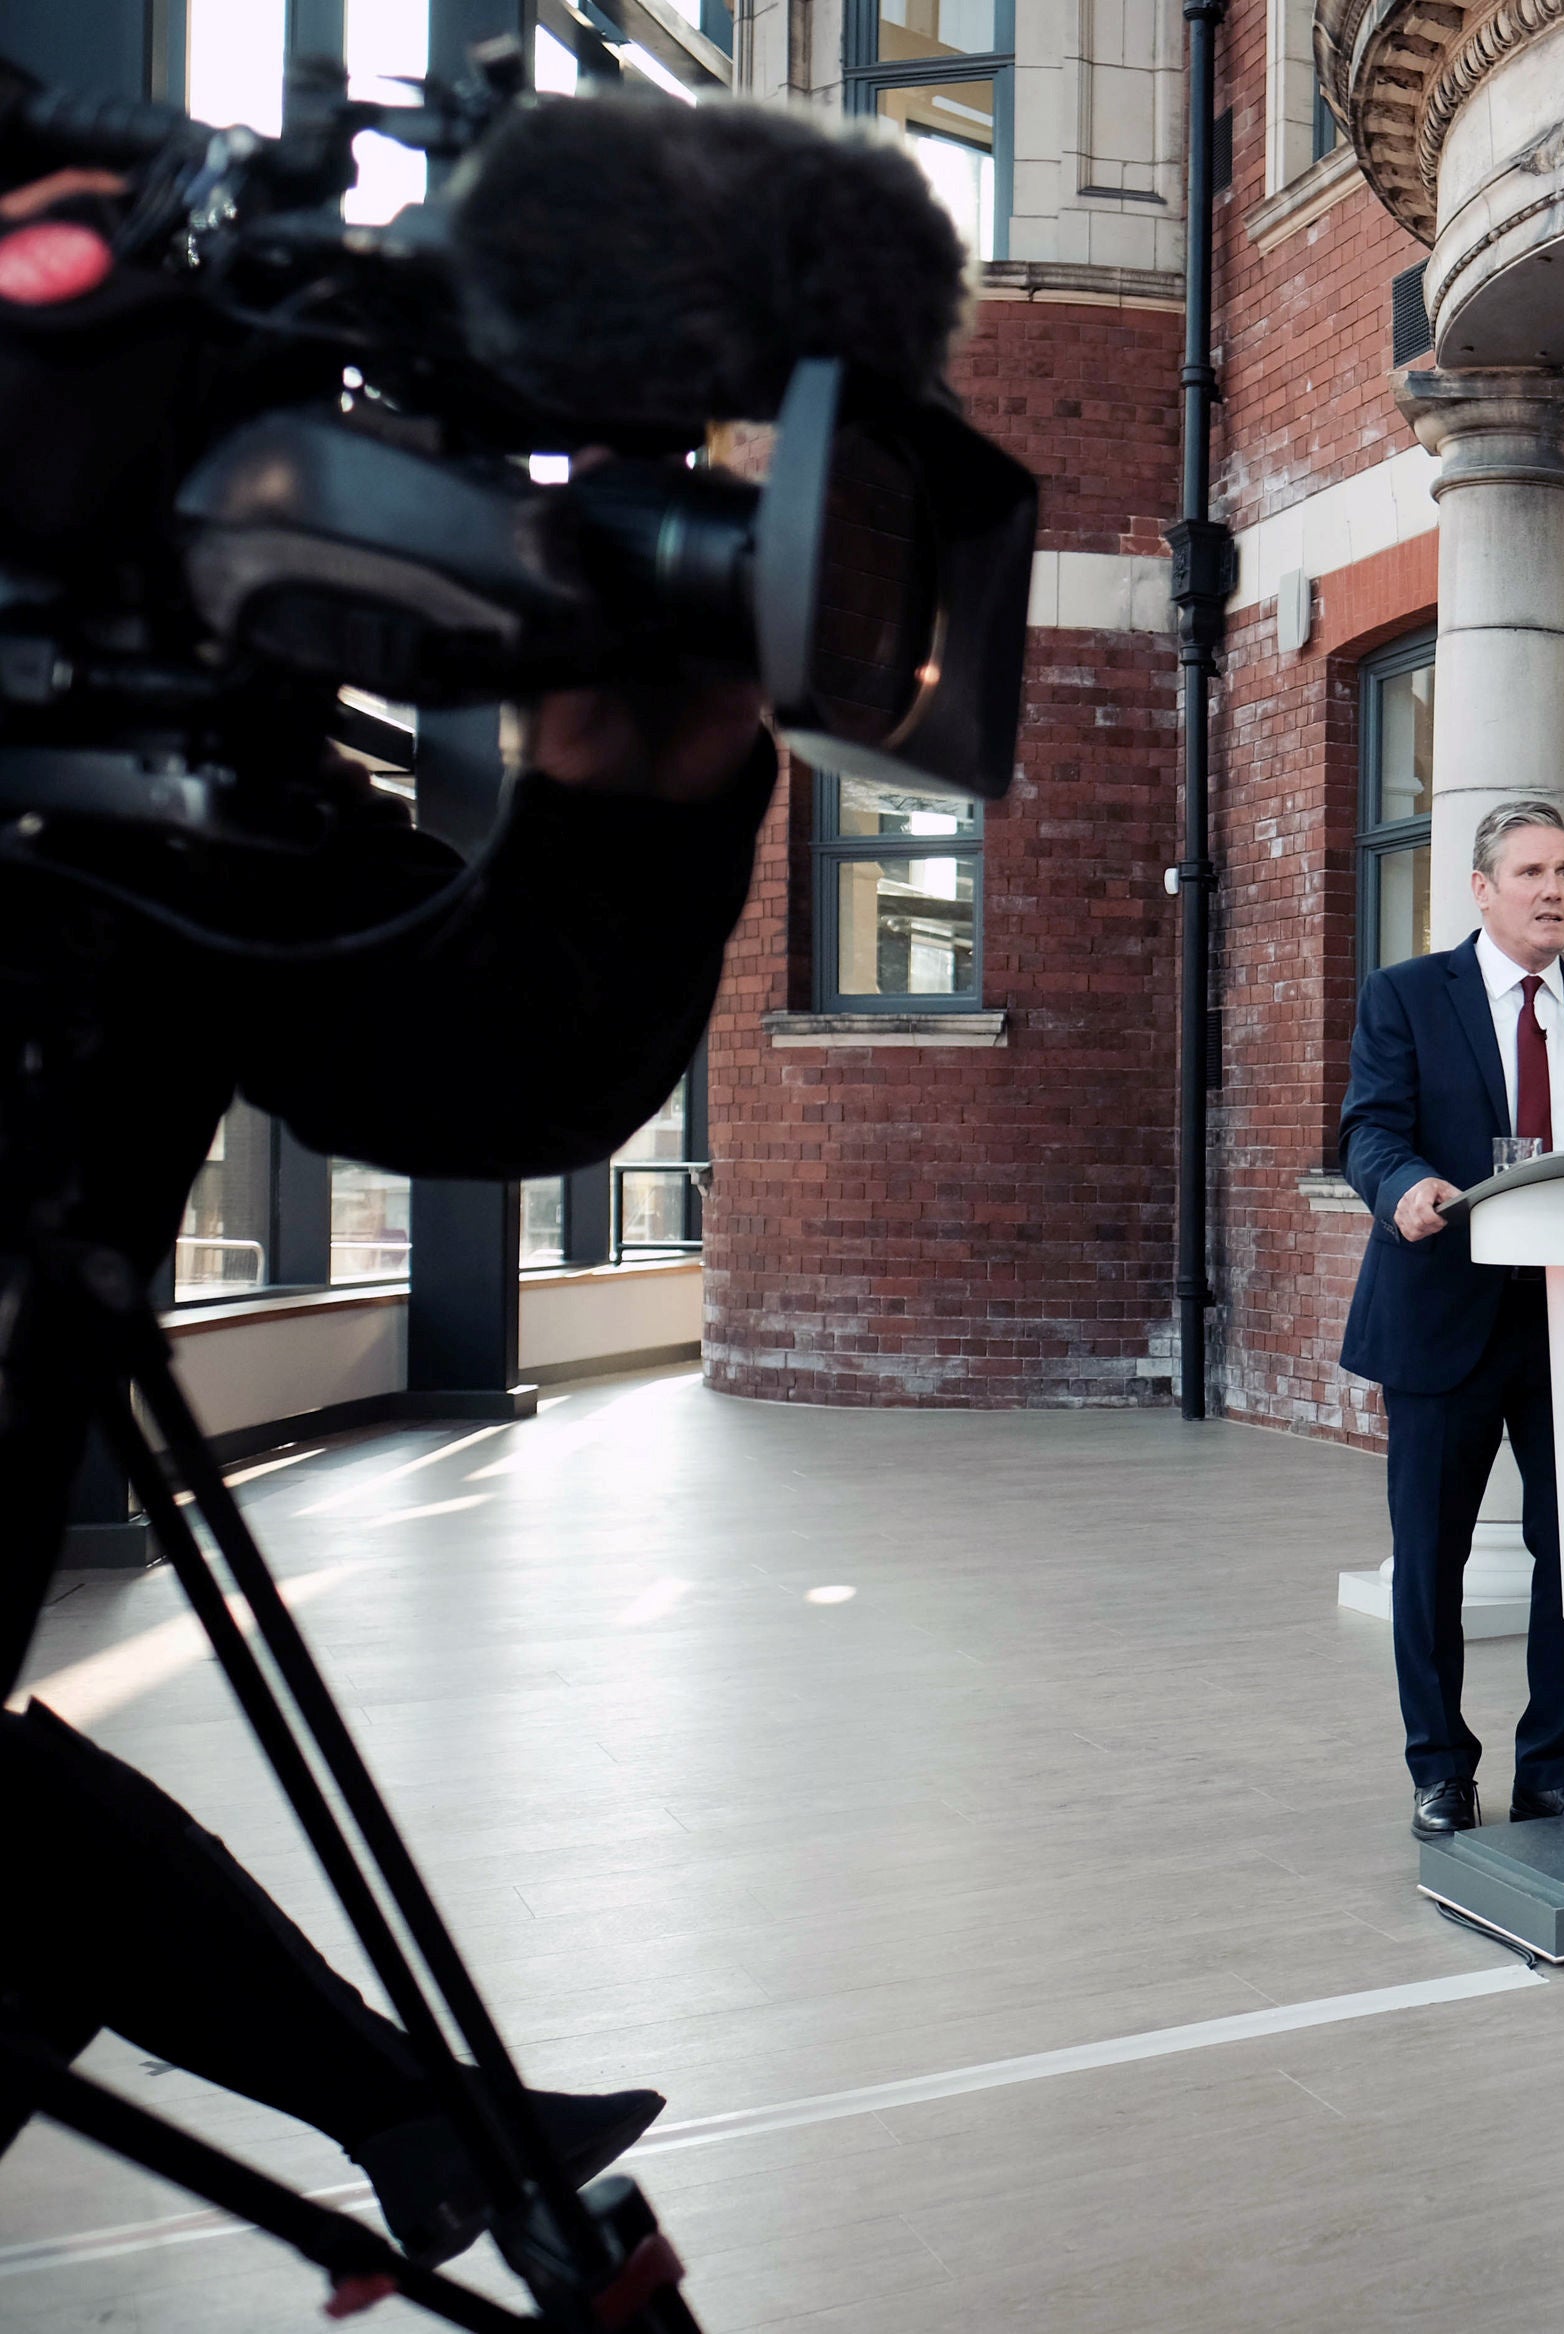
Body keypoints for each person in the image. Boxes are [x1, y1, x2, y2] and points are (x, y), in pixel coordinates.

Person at [0, 156, 783, 2256]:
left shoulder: (149, 731)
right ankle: (425, 2121)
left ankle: (426, 2124)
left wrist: (639, 775)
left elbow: (501, 1060)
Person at [1338, 799, 1564, 1839]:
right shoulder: (1404, 996)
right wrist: (1406, 1187)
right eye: (1530, 873)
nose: (1552, 889)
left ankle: (1551, 1769)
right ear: (1481, 889)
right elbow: (1369, 1131)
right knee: (1431, 1561)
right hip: (1442, 1311)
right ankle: (1438, 1768)